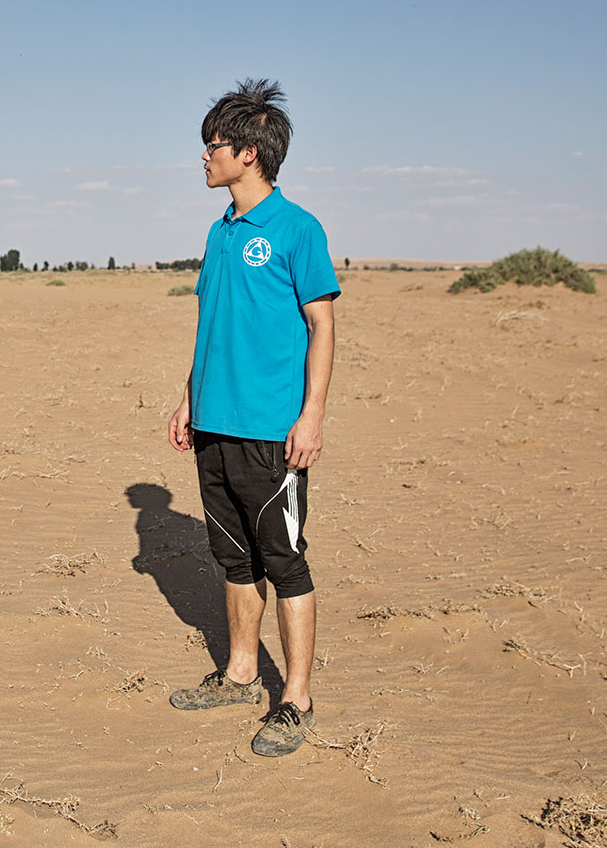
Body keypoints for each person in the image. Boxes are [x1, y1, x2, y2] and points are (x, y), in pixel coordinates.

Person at [166, 78, 339, 758]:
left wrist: (312, 414)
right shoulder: (219, 231)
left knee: (284, 560)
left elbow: (322, 324)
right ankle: (240, 673)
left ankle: (295, 698)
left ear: (248, 152)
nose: (204, 156)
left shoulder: (298, 229)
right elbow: (213, 324)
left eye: (213, 144)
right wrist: (188, 398)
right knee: (234, 558)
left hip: (274, 431)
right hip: (215, 423)